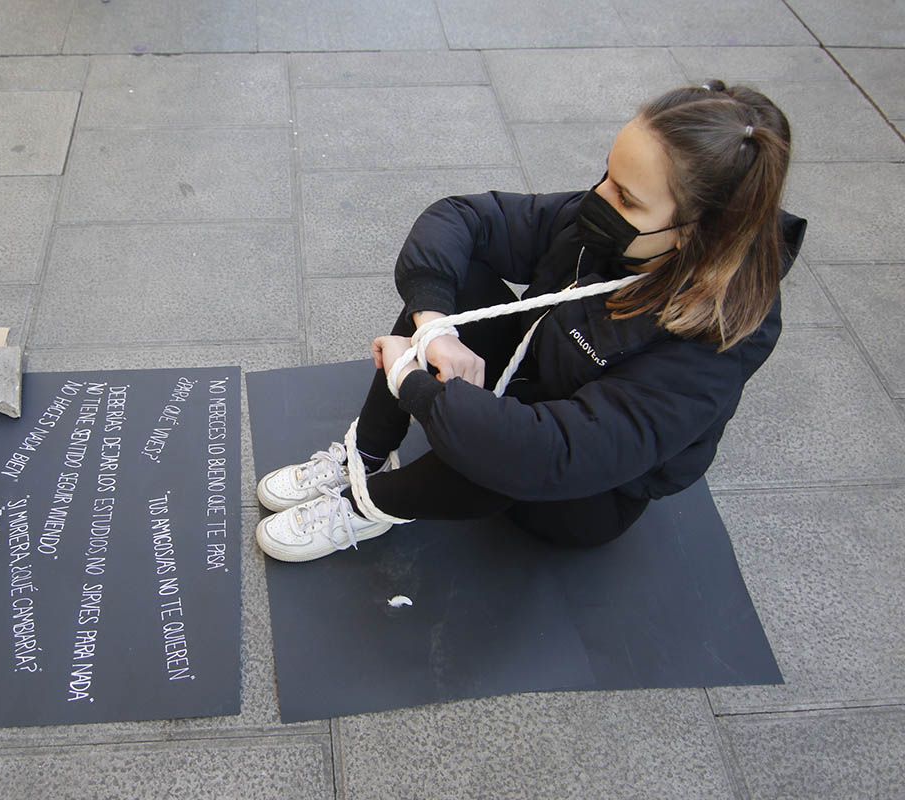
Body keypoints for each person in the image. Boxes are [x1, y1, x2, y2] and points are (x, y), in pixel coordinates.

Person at [255, 80, 807, 562]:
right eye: (608, 175)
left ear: (696, 232)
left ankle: (368, 506)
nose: (597, 198)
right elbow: (463, 217)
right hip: (536, 385)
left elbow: (553, 454)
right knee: (454, 283)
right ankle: (365, 454)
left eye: (625, 196)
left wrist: (414, 385)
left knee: (506, 446)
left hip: (578, 498)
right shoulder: (615, 226)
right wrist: (437, 327)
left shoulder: (716, 342)